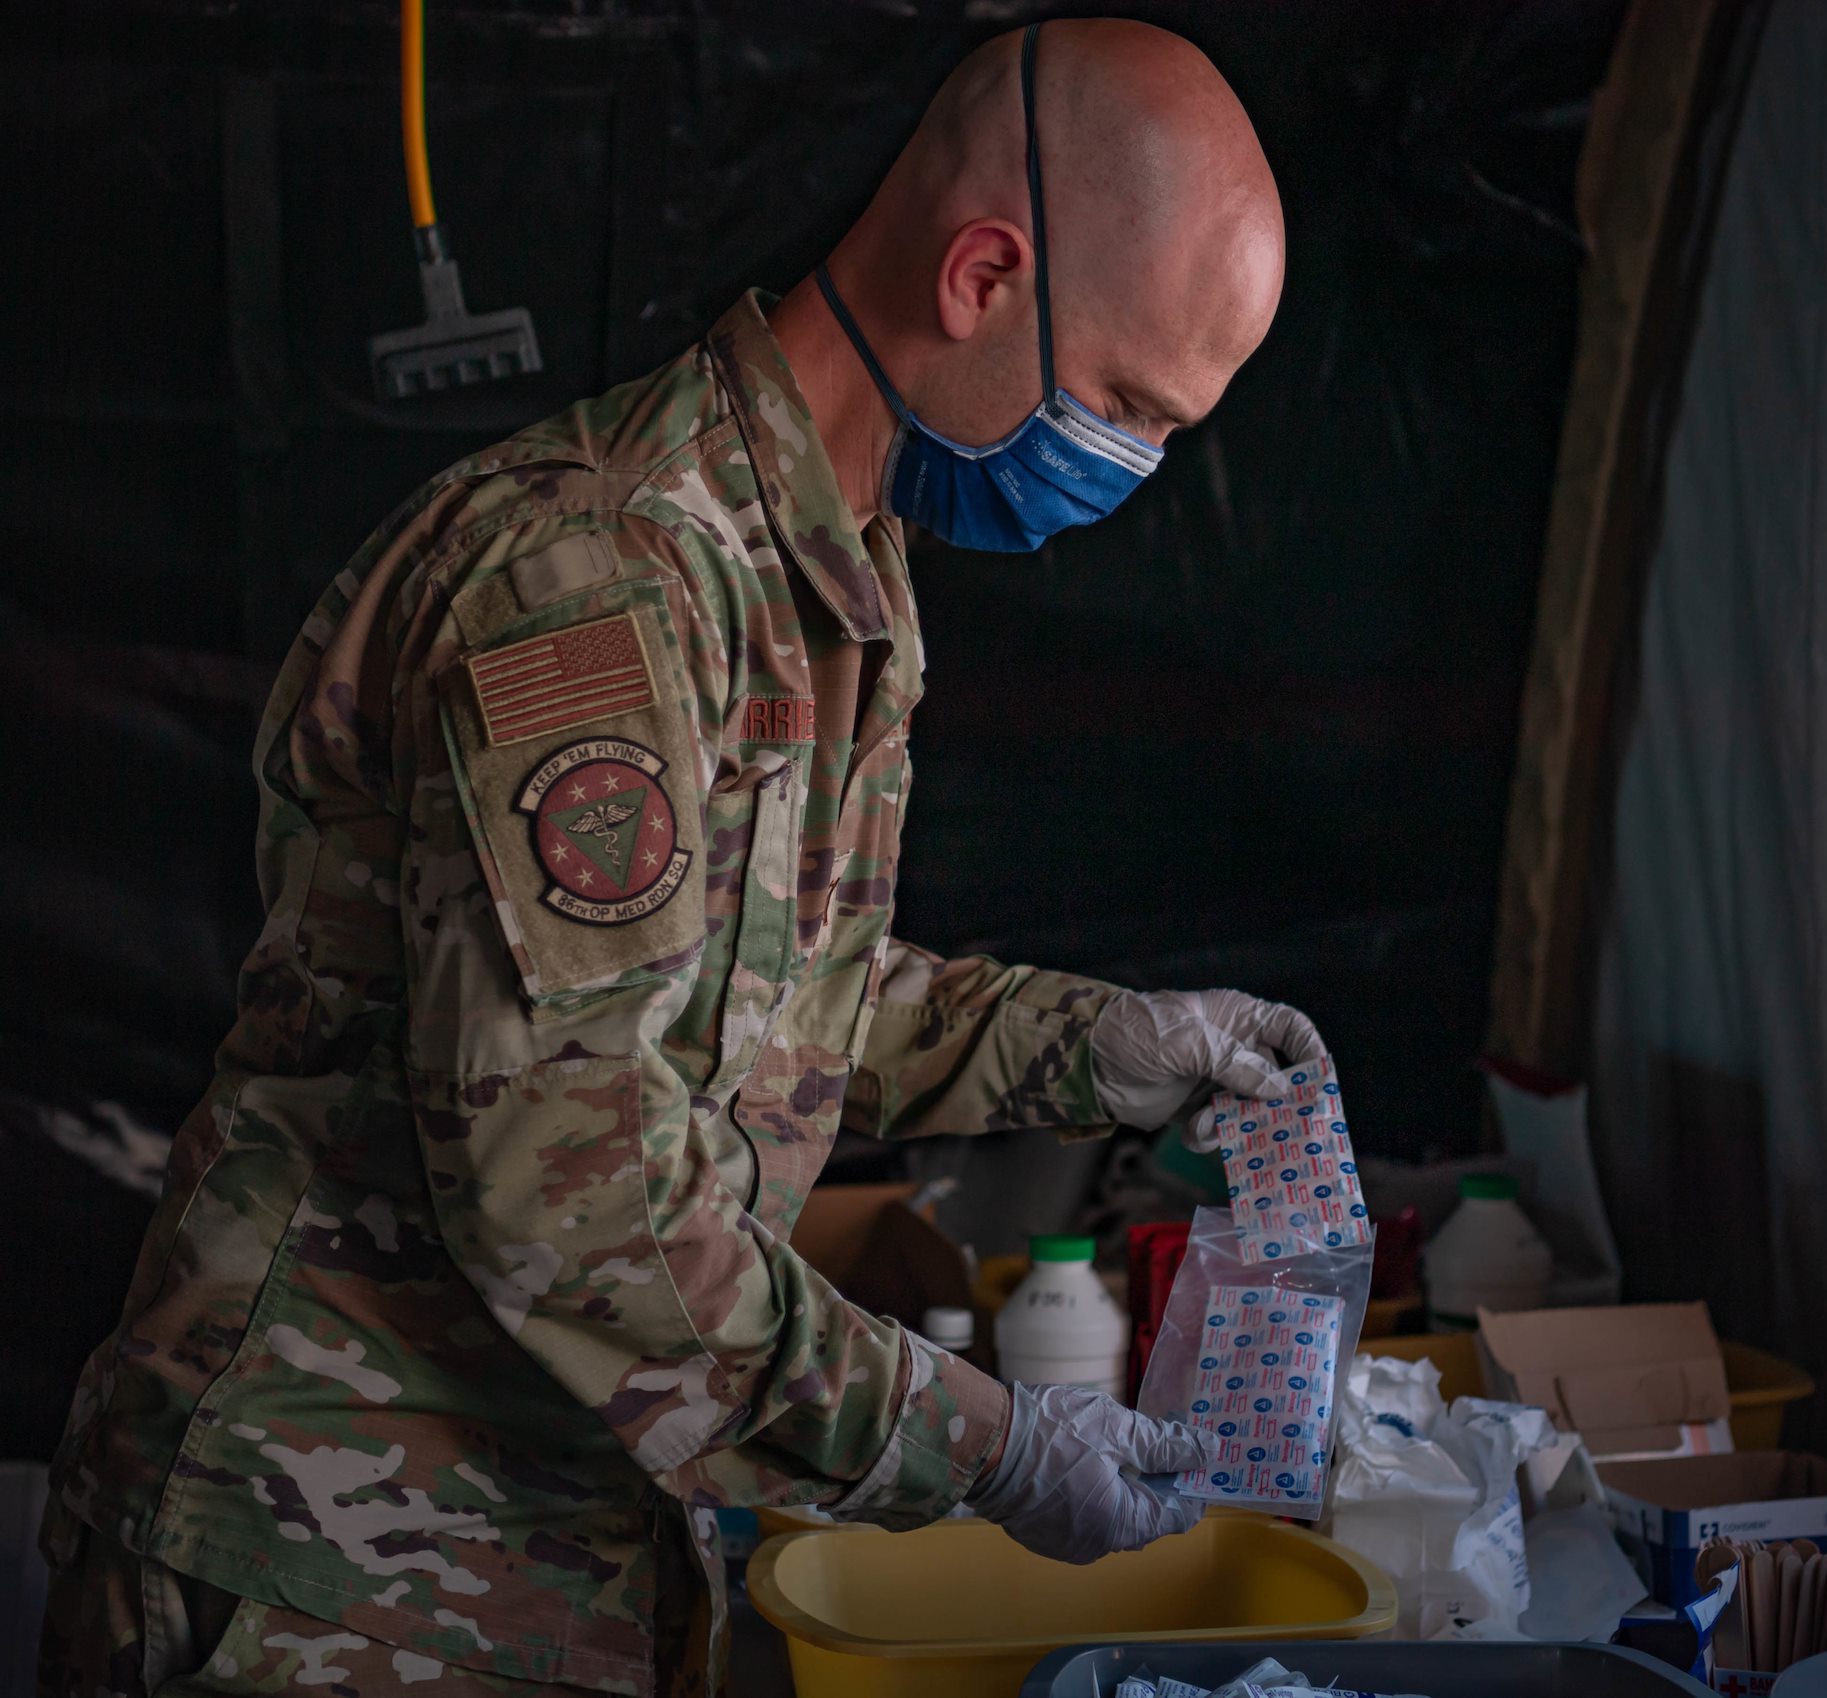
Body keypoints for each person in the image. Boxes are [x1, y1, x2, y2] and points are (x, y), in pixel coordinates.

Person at [37, 17, 1313, 1696]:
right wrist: (979, 1441)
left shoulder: (833, 572)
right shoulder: (602, 585)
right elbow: (569, 1190)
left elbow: (761, 1007)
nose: (1133, 467)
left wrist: (1094, 1048)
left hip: (536, 1551)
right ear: (985, 276)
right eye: (1130, 407)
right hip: (333, 1568)